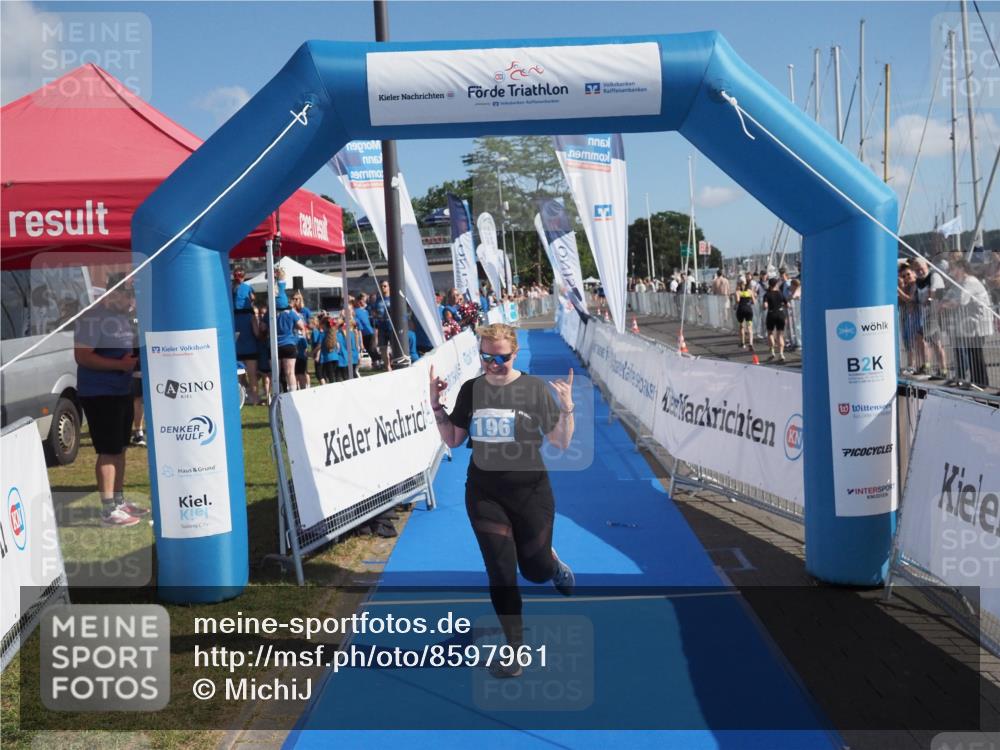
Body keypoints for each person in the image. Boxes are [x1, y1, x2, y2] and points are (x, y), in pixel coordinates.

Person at [429, 323, 576, 678]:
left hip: (531, 493)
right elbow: (452, 439)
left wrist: (567, 409)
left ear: (515, 354)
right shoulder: (472, 390)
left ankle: (551, 563)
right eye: (486, 357)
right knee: (500, 572)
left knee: (536, 571)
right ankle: (515, 650)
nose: (494, 364)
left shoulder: (533, 389)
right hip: (484, 493)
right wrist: (437, 407)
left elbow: (561, 442)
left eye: (501, 358)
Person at [74, 274, 148, 527]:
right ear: (113, 293)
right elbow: (83, 356)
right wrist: (119, 365)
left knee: (120, 447)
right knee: (108, 450)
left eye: (132, 297)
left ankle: (118, 501)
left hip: (121, 390)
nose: (130, 302)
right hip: (99, 392)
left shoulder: (121, 318)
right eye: (127, 296)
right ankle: (108, 510)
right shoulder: (93, 317)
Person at [941, 259, 992, 388]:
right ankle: (976, 381)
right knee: (972, 352)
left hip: (978, 322)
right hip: (970, 323)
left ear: (961, 268)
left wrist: (945, 305)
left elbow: (961, 301)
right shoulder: (961, 282)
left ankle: (980, 382)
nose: (951, 272)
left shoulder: (970, 282)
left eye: (953, 269)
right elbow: (950, 295)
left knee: (975, 352)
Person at [232, 265, 260, 405]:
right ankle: (254, 399)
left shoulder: (230, 315)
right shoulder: (251, 315)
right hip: (250, 347)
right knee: (252, 374)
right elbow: (256, 332)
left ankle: (242, 397)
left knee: (239, 375)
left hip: (236, 346)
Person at [276, 292, 305, 392]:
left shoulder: (271, 312)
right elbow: (301, 326)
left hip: (275, 345)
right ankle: (293, 393)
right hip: (289, 343)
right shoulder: (291, 312)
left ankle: (277, 394)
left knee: (276, 373)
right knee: (290, 372)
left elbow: (262, 327)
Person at [763, 277, 788, 362]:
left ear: (769, 285)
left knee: (770, 333)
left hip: (771, 314)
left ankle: (772, 352)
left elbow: (765, 305)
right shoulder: (780, 293)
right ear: (776, 284)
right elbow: (787, 305)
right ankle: (781, 354)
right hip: (780, 314)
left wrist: (765, 306)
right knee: (780, 335)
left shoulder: (767, 294)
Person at [734, 279, 755, 349]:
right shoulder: (750, 291)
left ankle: (742, 343)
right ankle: (751, 343)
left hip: (741, 310)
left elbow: (737, 301)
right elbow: (754, 301)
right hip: (749, 310)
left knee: (742, 326)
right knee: (749, 327)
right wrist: (748, 302)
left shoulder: (738, 292)